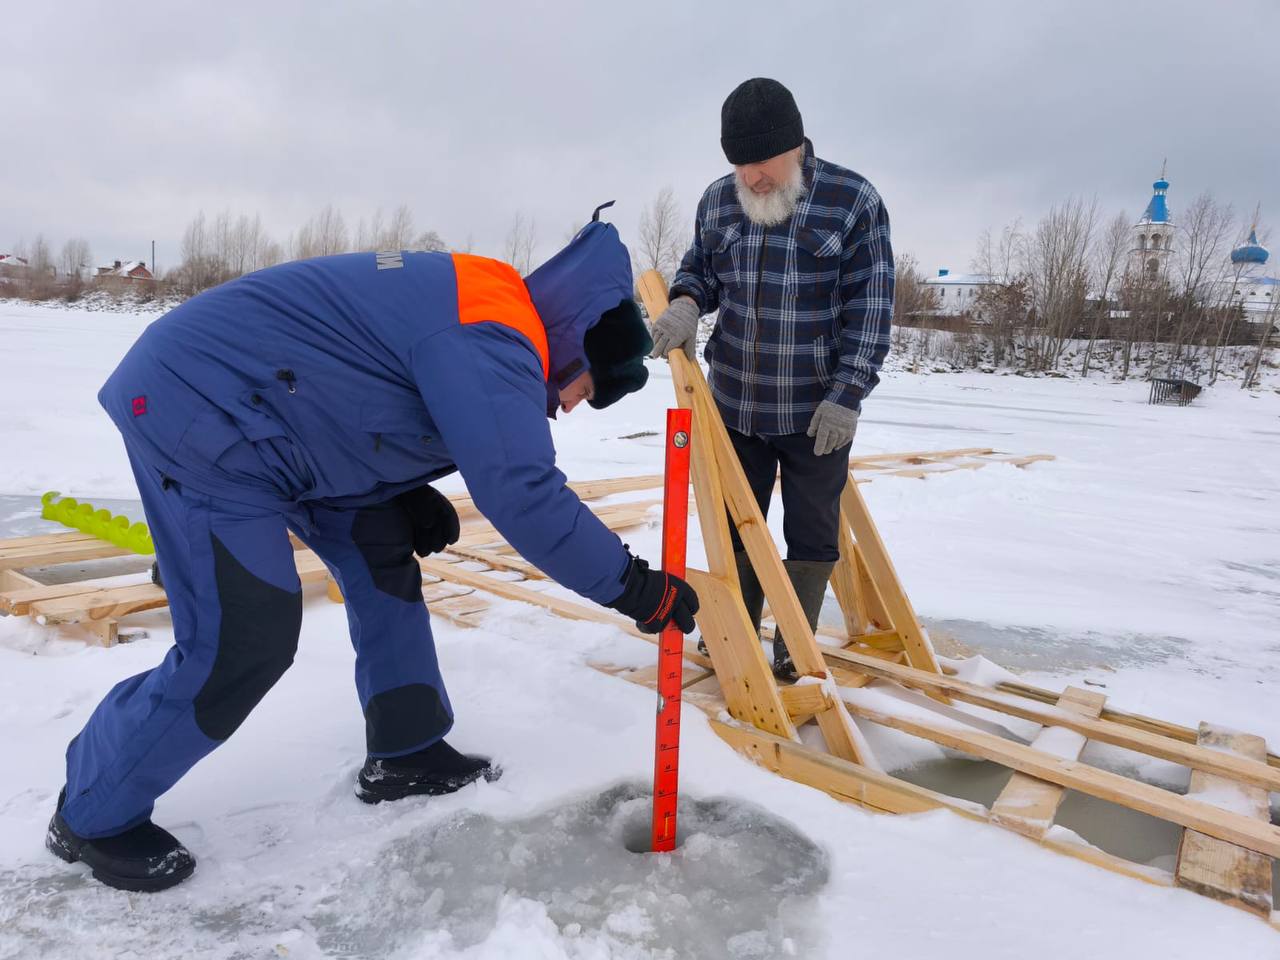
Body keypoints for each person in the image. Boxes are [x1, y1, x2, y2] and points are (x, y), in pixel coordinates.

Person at [46, 208, 699, 892]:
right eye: (585, 389)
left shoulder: (495, 304)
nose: (568, 405)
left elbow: (369, 377)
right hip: (203, 412)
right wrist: (634, 587)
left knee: (380, 549)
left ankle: (406, 751)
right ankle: (92, 810)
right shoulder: (498, 334)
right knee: (245, 635)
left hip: (284, 419)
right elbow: (521, 491)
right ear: (579, 350)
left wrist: (403, 488)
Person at [649, 78, 893, 680]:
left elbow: (872, 307)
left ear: (795, 146)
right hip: (735, 402)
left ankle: (794, 639)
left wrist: (848, 395)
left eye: (764, 163)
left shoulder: (852, 201)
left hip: (817, 412)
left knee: (811, 528)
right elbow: (700, 270)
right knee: (737, 522)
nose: (753, 177)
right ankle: (735, 624)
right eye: (741, 164)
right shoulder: (719, 200)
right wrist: (684, 301)